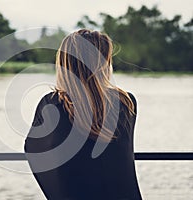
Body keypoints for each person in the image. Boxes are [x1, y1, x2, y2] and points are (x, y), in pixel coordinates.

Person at [24, 29, 142, 200]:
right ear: (104, 63)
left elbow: (33, 151)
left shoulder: (52, 104)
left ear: (64, 64)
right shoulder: (125, 103)